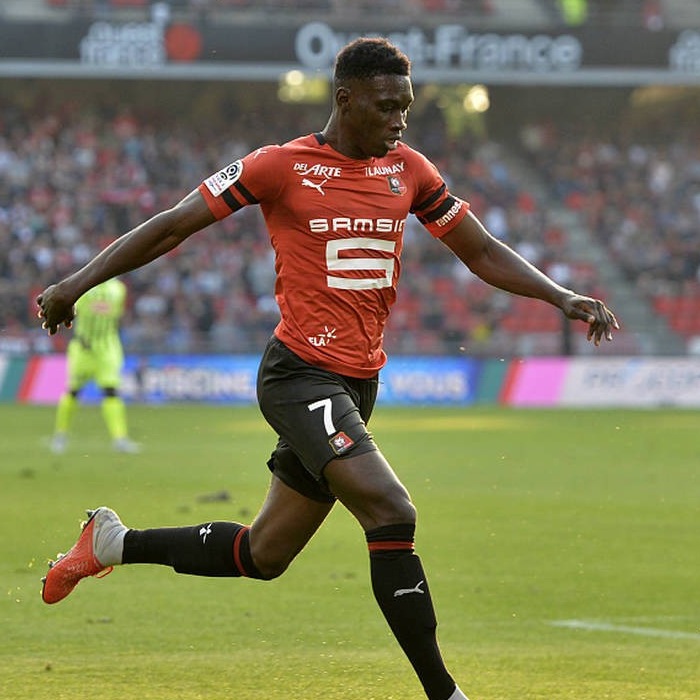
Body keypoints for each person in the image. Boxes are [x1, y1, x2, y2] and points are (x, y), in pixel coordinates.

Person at [37, 37, 619, 700]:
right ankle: (446, 694)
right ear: (345, 99)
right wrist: (75, 284)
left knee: (264, 554)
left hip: (357, 383)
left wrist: (560, 296)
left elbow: (480, 251)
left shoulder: (409, 170)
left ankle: (111, 544)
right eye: (386, 106)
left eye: (406, 106)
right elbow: (173, 225)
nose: (400, 119)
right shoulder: (279, 166)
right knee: (391, 510)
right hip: (299, 375)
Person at [49, 278, 140, 455]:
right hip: (84, 348)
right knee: (74, 391)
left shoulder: (114, 288)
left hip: (107, 349)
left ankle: (120, 439)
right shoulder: (105, 287)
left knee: (110, 391)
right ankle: (60, 435)